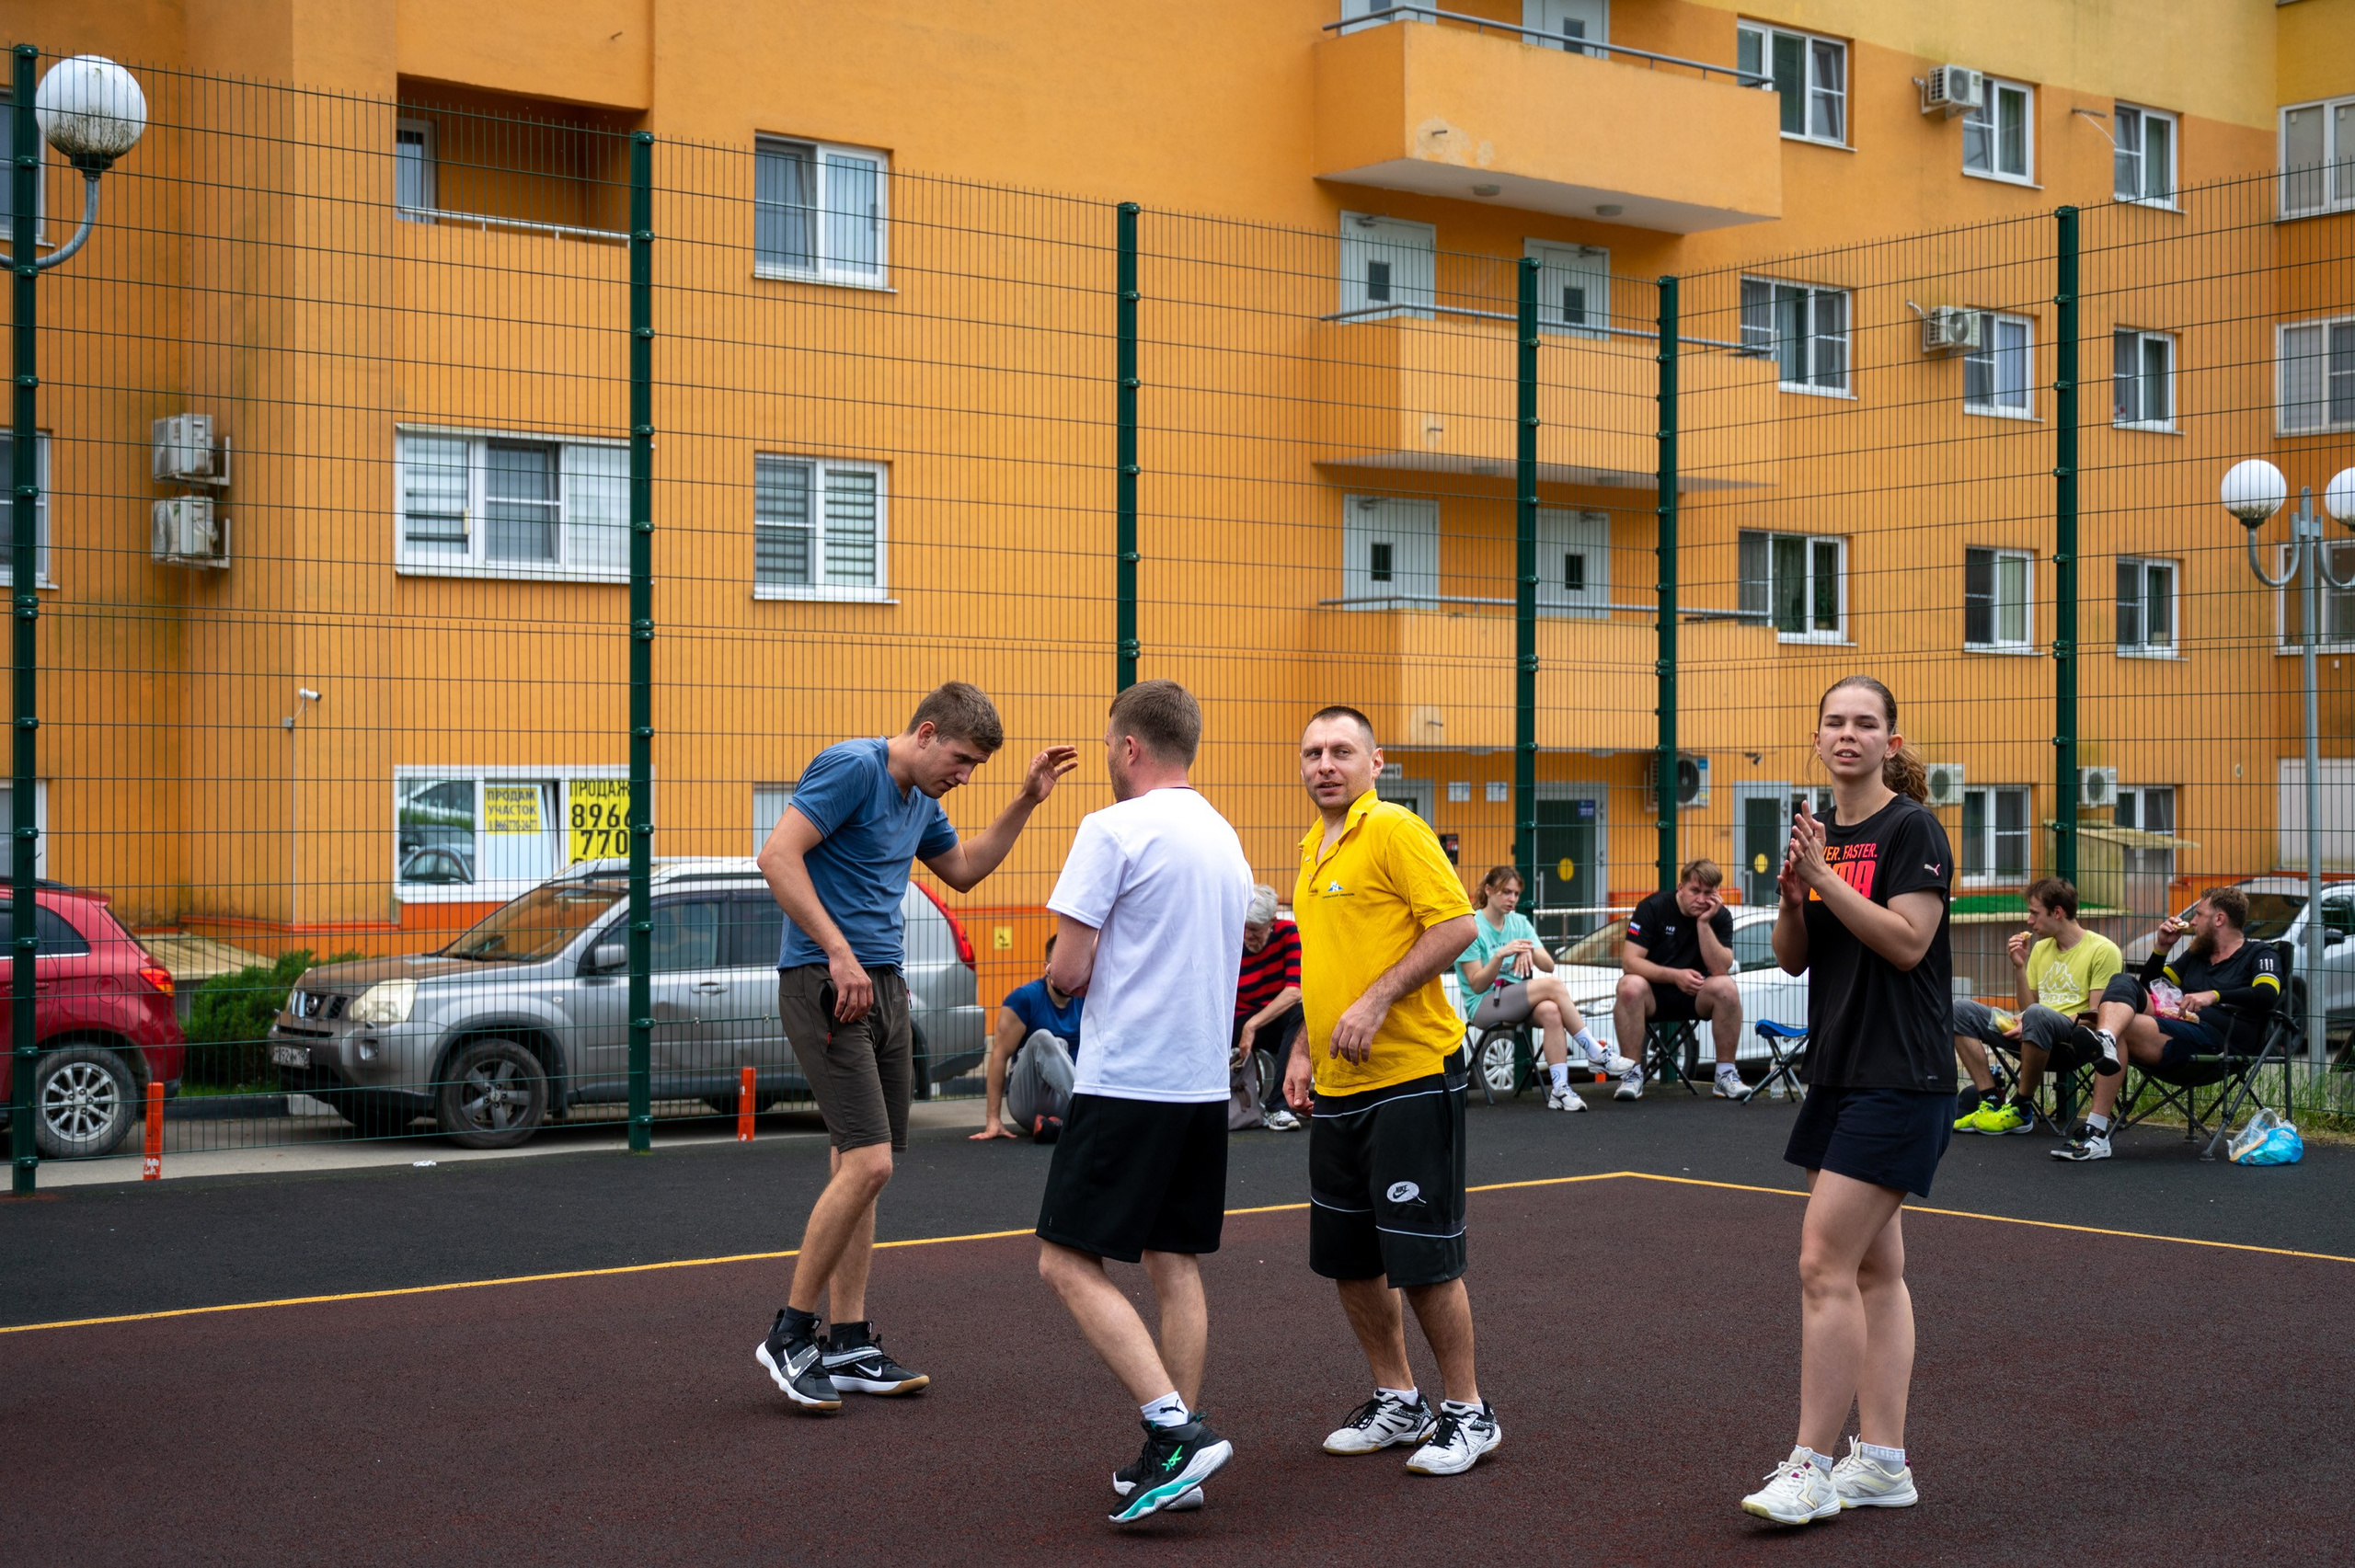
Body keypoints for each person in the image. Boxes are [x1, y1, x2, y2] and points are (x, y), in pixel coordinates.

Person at [753, 682, 1077, 1413]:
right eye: (960, 760)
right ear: (926, 732)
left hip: (885, 986)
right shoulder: (853, 768)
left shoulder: (918, 801)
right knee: (869, 1161)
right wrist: (837, 953)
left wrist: (1026, 798)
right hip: (829, 979)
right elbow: (777, 856)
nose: (963, 776)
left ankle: (849, 1339)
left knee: (861, 1166)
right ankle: (790, 1332)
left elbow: (964, 868)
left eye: (975, 768)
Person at [1032, 680, 1255, 1524]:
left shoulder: (1111, 827)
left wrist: (1056, 975)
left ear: (1129, 747)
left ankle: (1174, 1427)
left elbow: (1068, 970)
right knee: (1173, 1263)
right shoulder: (1224, 837)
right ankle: (1181, 1459)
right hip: (1200, 1084)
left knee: (1063, 1258)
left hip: (1129, 1080)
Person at [1740, 676, 1952, 1527]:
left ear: (1892, 743)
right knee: (1874, 1268)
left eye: (1867, 724)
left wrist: (1825, 877)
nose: (1850, 735)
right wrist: (1798, 896)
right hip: (1838, 1069)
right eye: (1835, 722)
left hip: (1899, 1074)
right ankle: (1885, 1463)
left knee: (1821, 1263)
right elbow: (1795, 958)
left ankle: (1810, 1465)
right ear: (1818, 735)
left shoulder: (1911, 828)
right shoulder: (1818, 835)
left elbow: (1907, 942)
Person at [1283, 706, 1497, 1477]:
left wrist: (1374, 1002)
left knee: (1422, 1255)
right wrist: (1305, 1045)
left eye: (1342, 751)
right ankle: (1398, 1398)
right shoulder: (1313, 847)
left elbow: (1457, 927)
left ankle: (1469, 1411)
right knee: (1349, 1255)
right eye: (1312, 752)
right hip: (1341, 1083)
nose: (1325, 764)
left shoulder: (1397, 830)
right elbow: (1326, 964)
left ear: (1378, 762)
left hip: (1411, 1072)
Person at [2051, 886, 2284, 1163]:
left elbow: (2267, 994)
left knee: (2121, 1024)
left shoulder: (2259, 953)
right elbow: (2148, 989)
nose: (2193, 921)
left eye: (2198, 914)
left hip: (2219, 1040)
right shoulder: (2197, 955)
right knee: (2123, 982)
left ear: (2219, 919)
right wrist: (2162, 947)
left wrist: (2214, 995)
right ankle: (2106, 1041)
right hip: (2176, 1028)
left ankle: (2097, 1130)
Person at [1454, 864, 1635, 1113]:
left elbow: (1548, 965)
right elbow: (1476, 984)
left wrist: (1527, 949)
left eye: (1516, 894)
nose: (1512, 899)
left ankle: (1560, 1090)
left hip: (1517, 1000)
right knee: (1553, 987)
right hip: (1485, 1005)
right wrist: (1501, 955)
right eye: (1506, 892)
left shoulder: (1519, 923)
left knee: (1551, 1010)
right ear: (1488, 889)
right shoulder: (1472, 927)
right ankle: (1596, 1052)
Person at [1950, 877, 2122, 1135]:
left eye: (2034, 913)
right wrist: (2019, 966)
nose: (2029, 921)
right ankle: (1991, 1101)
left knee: (2037, 1014)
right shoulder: (2041, 949)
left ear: (2057, 912)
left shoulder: (2103, 950)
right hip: (2032, 1031)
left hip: (2071, 1042)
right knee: (1959, 1010)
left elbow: (2096, 1016)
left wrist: (2032, 1018)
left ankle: (2022, 1107)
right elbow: (2028, 1005)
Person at [1614, 858, 1751, 1102]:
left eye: (1708, 893)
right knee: (1629, 986)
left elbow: (1720, 968)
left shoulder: (1720, 916)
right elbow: (1630, 962)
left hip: (1696, 994)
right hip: (1652, 995)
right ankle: (1631, 1074)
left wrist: (1704, 923)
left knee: (1727, 988)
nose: (1701, 899)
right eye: (1695, 891)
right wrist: (1675, 976)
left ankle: (1725, 1075)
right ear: (1680, 887)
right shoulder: (1652, 908)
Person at [971, 935, 1083, 1143]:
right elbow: (998, 1055)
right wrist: (993, 1119)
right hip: (1027, 1101)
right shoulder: (1024, 999)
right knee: (1045, 1039)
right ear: (1047, 967)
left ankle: (1059, 1125)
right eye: (1062, 964)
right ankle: (1087, 1114)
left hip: (1065, 1102)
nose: (1069, 971)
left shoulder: (1087, 999)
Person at [1234, 885, 1305, 1132]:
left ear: (1272, 922)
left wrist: (1252, 1025)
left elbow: (1294, 990)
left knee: (1301, 1015)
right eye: (1243, 927)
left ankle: (1278, 1107)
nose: (1246, 936)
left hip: (1267, 1019)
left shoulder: (1288, 933)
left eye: (1254, 930)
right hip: (1236, 1018)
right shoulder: (1232, 939)